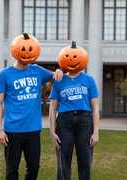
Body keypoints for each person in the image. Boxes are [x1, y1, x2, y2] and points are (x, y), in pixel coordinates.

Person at [0, 33, 62, 180]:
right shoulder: (4, 75)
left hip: (33, 130)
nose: (26, 53)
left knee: (33, 168)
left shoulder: (37, 70)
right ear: (15, 50)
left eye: (30, 49)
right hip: (12, 131)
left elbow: (54, 77)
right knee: (12, 170)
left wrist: (58, 71)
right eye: (23, 49)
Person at [49, 42, 99, 180]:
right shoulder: (59, 81)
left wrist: (96, 132)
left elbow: (95, 107)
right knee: (63, 159)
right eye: (68, 57)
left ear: (83, 59)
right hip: (64, 122)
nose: (72, 60)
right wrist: (52, 131)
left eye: (76, 57)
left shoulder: (89, 80)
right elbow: (52, 108)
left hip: (85, 121)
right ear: (62, 59)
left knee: (85, 159)